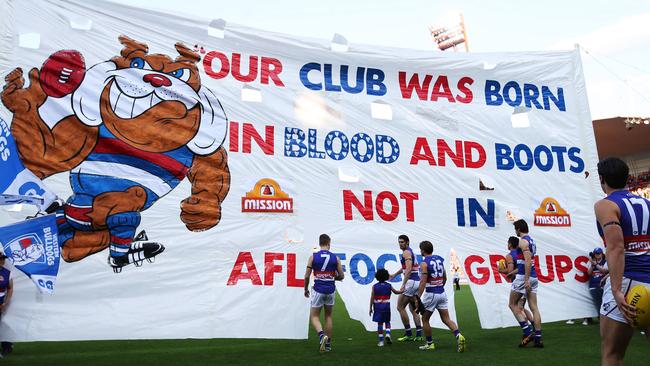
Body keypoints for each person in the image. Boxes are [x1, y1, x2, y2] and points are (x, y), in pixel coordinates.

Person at [594, 157, 650, 365]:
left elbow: (616, 247)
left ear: (602, 179)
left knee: (612, 354)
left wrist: (616, 288)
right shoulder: (647, 203)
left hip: (628, 283)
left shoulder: (605, 205)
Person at [416, 240, 466, 352]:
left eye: (421, 249)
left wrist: (418, 296)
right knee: (446, 319)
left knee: (424, 319)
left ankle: (430, 344)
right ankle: (459, 336)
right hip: (442, 292)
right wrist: (439, 286)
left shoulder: (424, 263)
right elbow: (445, 277)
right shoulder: (439, 259)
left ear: (423, 250)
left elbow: (423, 282)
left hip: (431, 293)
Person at [304, 234, 344, 353]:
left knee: (315, 316)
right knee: (328, 316)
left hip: (318, 289)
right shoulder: (335, 258)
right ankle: (328, 346)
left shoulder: (313, 257)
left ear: (320, 243)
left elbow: (307, 275)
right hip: (330, 290)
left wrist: (305, 289)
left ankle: (322, 336)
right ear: (329, 243)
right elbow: (341, 275)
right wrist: (331, 277)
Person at [512, 220, 543, 348]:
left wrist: (525, 280)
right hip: (534, 276)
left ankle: (528, 332)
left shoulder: (522, 241)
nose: (515, 231)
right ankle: (538, 338)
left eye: (515, 229)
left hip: (524, 276)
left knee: (512, 304)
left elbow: (527, 261)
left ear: (519, 229)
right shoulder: (532, 241)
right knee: (534, 307)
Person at [389, 235, 423, 341]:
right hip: (415, 281)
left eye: (402, 242)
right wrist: (395, 274)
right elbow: (406, 268)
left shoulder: (406, 252)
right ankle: (419, 335)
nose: (400, 244)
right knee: (413, 309)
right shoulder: (410, 251)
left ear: (407, 242)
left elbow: (408, 270)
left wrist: (404, 284)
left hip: (411, 282)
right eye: (399, 242)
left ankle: (408, 334)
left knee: (400, 307)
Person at [499, 236, 535, 332]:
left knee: (518, 307)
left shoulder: (509, 255)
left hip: (519, 282)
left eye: (508, 243)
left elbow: (510, 270)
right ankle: (533, 325)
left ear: (510, 244)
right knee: (522, 307)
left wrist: (501, 270)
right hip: (528, 279)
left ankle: (528, 330)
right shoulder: (520, 253)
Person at [369, 268, 403, 347]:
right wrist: (402, 290)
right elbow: (396, 292)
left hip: (377, 307)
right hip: (386, 307)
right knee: (387, 321)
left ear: (377, 276)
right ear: (386, 276)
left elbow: (372, 297)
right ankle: (388, 334)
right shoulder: (389, 285)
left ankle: (381, 341)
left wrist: (370, 308)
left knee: (380, 324)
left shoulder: (374, 286)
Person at [586, 247, 608, 325]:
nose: (597, 255)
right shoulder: (591, 262)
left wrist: (596, 265)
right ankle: (601, 319)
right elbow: (589, 273)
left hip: (604, 285)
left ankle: (607, 319)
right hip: (593, 285)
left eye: (599, 253)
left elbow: (604, 271)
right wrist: (592, 265)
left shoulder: (605, 261)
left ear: (602, 254)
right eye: (596, 254)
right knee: (598, 303)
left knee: (605, 303)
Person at [0, 254, 13, 357]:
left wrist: (5, 303)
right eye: (0, 259)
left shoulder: (7, 273)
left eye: (3, 259)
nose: (2, 261)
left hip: (1, 304)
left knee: (4, 324)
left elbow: (10, 288)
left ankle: (7, 346)